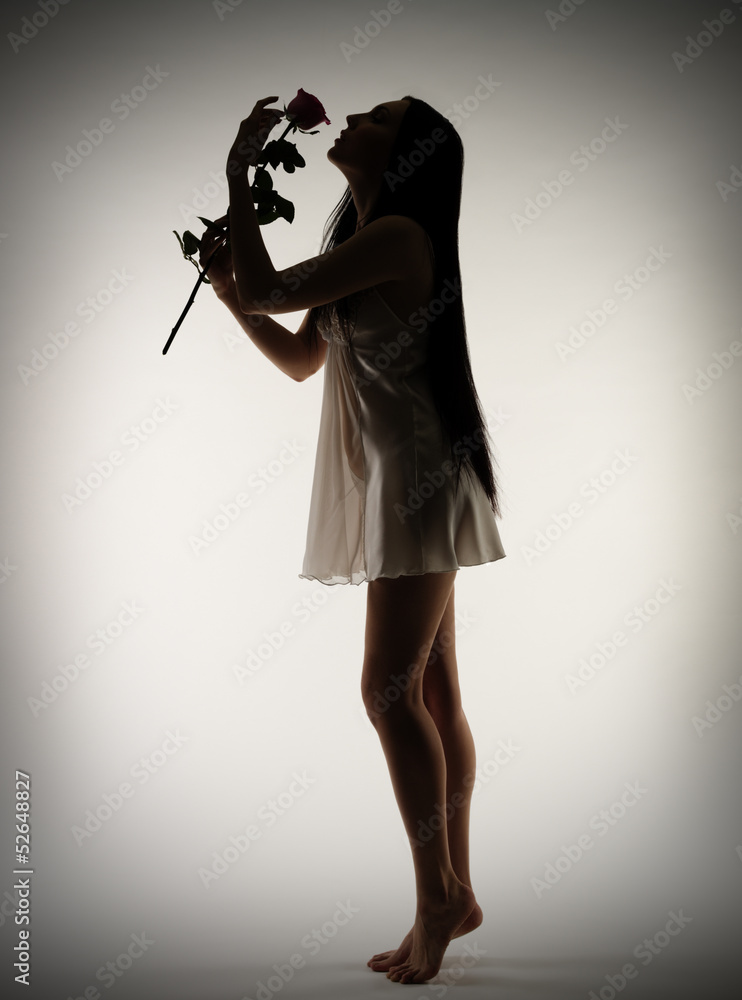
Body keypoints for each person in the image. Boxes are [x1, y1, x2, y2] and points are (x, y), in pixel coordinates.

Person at [199, 95, 506, 985]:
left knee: (387, 691)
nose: (354, 117)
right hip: (406, 487)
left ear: (407, 154)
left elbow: (268, 283)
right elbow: (302, 358)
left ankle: (438, 899)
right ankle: (455, 892)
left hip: (421, 485)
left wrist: (237, 168)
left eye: (377, 116)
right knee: (433, 693)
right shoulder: (360, 246)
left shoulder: (403, 237)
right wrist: (230, 298)